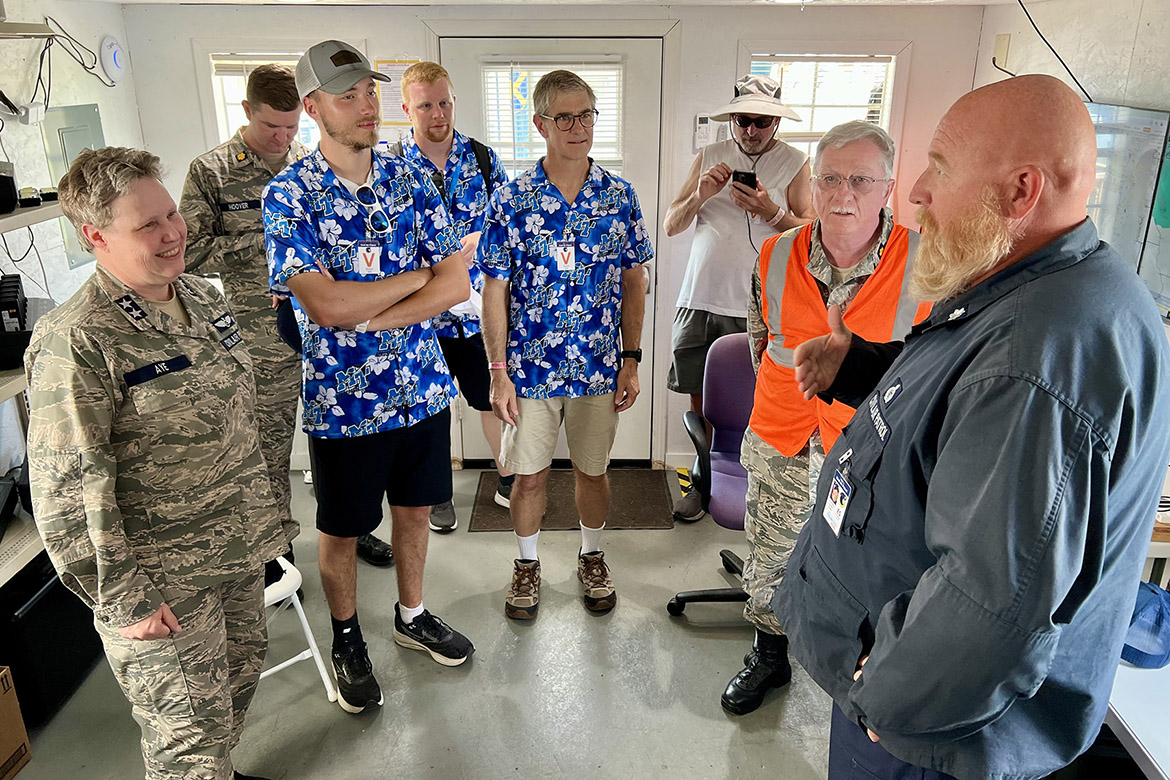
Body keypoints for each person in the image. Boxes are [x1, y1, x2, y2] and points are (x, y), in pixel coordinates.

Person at [776, 74, 1170, 780]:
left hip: (927, 737)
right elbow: (963, 402)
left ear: (1021, 192)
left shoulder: (1042, 354)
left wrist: (885, 696)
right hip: (916, 702)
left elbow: (992, 603)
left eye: (941, 168)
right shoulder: (1039, 288)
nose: (918, 192)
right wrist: (864, 366)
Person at [24, 146, 285, 780]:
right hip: (162, 581)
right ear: (95, 236)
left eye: (171, 214)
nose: (174, 233)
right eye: (148, 225)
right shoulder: (77, 340)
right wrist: (123, 599)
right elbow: (68, 490)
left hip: (237, 550)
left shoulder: (203, 298)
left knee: (230, 699)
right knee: (186, 744)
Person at [264, 40, 474, 715]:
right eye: (346, 94)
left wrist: (375, 312)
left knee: (415, 512)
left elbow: (456, 283)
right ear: (312, 107)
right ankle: (348, 637)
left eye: (369, 91)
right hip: (343, 404)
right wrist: (416, 278)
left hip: (421, 387)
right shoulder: (288, 195)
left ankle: (412, 616)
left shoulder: (411, 178)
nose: (365, 105)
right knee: (345, 528)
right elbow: (323, 305)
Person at [722, 121, 927, 717]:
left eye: (861, 180)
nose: (843, 194)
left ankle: (864, 668)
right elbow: (762, 342)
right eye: (830, 177)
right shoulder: (775, 251)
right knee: (772, 551)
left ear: (887, 188)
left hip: (871, 451)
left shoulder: (928, 262)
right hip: (783, 434)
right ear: (812, 182)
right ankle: (768, 653)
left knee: (866, 565)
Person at [179, 64, 395, 574]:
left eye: (292, 126)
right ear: (247, 111)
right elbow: (188, 254)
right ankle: (278, 552)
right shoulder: (211, 171)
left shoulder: (311, 161)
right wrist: (269, 239)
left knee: (341, 441)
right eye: (271, 127)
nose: (283, 138)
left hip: (330, 334)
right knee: (269, 450)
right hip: (261, 338)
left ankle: (354, 526)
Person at [480, 69, 653, 620]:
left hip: (597, 366)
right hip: (529, 370)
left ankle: (591, 555)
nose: (579, 127)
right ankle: (527, 564)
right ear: (541, 125)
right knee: (528, 476)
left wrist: (630, 360)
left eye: (587, 115)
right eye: (565, 117)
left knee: (593, 471)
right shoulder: (511, 199)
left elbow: (633, 282)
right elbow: (494, 292)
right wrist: (498, 370)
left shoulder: (618, 197)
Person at [663, 74, 815, 522]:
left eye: (761, 122)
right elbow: (672, 224)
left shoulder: (795, 163)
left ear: (775, 123)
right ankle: (702, 479)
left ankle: (756, 485)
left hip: (760, 305)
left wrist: (771, 211)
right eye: (742, 120)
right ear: (731, 118)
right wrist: (700, 194)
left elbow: (812, 234)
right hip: (701, 296)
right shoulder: (710, 157)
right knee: (700, 397)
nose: (750, 131)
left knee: (757, 400)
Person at [396, 61, 514, 532]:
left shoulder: (483, 159)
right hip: (418, 315)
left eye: (444, 102)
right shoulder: (388, 165)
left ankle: (508, 478)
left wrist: (476, 244)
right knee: (429, 411)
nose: (437, 113)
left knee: (489, 399)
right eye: (426, 104)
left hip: (476, 313)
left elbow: (509, 226)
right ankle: (436, 493)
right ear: (407, 108)